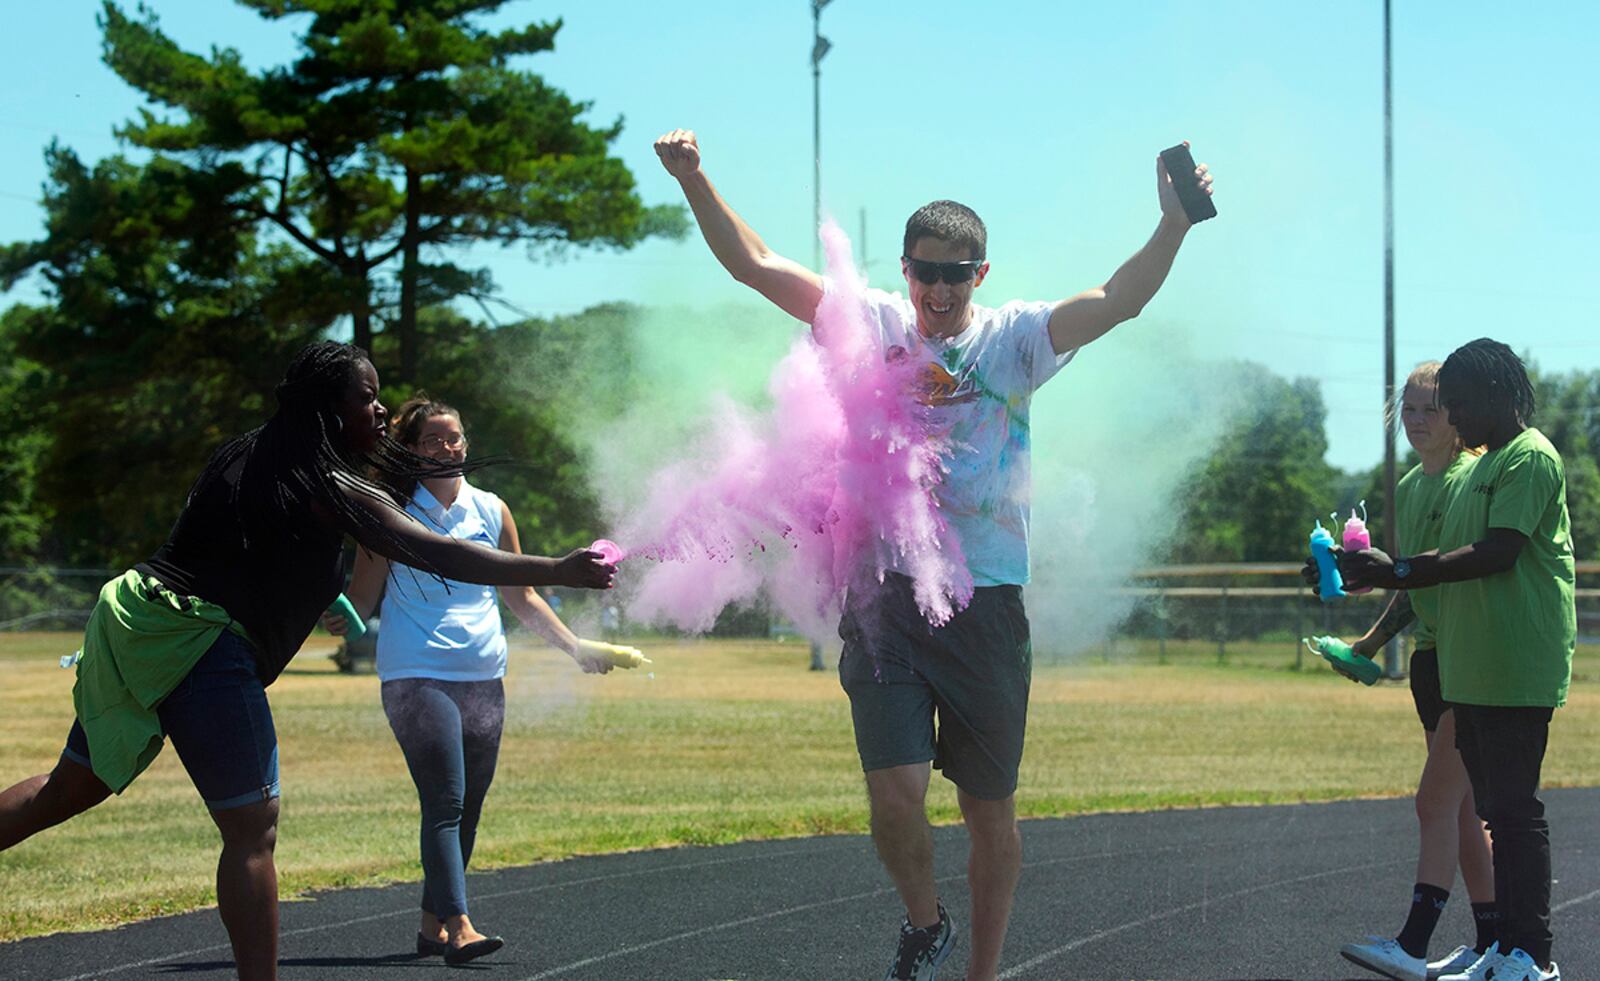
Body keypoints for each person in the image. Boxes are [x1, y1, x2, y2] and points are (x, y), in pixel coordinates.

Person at [654, 128, 1213, 981]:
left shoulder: (1015, 338)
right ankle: (926, 920)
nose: (940, 288)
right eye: (926, 270)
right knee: (894, 799)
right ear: (905, 270)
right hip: (884, 601)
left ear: (980, 275)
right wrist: (696, 179)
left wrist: (1172, 225)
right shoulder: (871, 320)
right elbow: (757, 264)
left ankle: (982, 972)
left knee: (990, 811)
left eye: (958, 272)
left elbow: (1117, 299)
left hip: (987, 601)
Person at [0, 342, 614, 981]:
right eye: (366, 399)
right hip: (203, 642)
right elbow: (440, 553)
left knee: (66, 789)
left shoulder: (246, 450)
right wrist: (558, 569)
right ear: (328, 409)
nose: (379, 411)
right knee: (251, 831)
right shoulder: (330, 484)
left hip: (133, 618)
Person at [323, 393, 637, 965]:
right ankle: (460, 926)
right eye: (434, 440)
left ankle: (429, 926)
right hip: (416, 676)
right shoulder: (389, 512)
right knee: (444, 800)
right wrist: (330, 615)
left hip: (484, 673)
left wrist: (574, 648)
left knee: (467, 808)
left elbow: (521, 595)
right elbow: (361, 600)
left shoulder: (492, 510)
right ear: (412, 452)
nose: (449, 447)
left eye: (456, 437)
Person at [1339, 339, 1573, 981]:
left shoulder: (1527, 458)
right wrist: (1374, 574)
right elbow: (1433, 572)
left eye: (1455, 403)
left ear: (1491, 396)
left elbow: (1497, 552)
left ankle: (1533, 956)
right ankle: (1501, 947)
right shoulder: (1479, 466)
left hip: (1515, 660)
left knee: (1515, 814)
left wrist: (1400, 571)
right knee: (1493, 811)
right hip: (1470, 665)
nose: (1448, 417)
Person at [1322, 363, 1496, 981]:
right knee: (1463, 809)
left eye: (1433, 410)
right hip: (1431, 659)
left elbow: (1448, 568)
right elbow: (1412, 580)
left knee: (1435, 802)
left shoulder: (1469, 479)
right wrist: (1367, 643)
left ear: (1457, 417)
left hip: (1470, 660)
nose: (1419, 421)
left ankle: (1415, 944)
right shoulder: (1414, 486)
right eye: (1410, 410)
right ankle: (1491, 942)